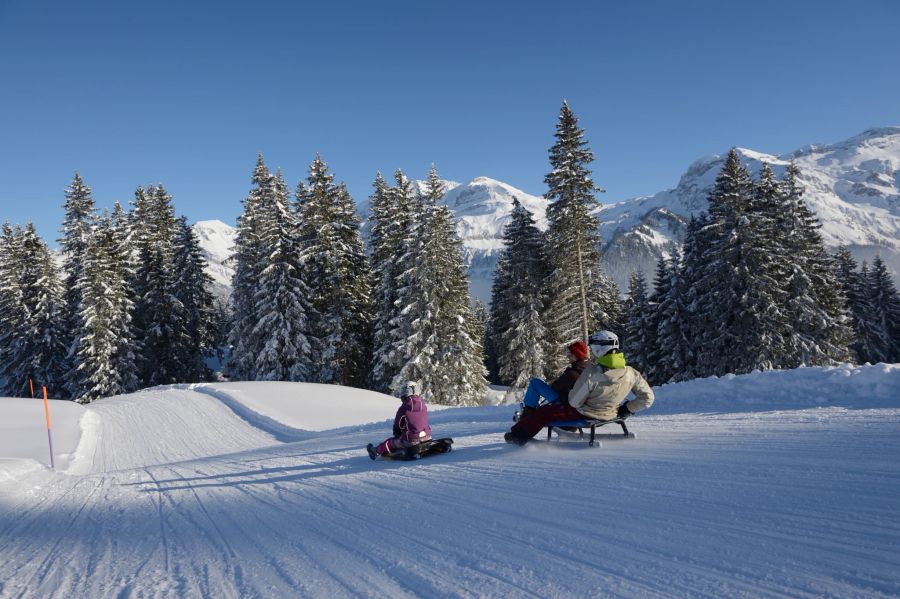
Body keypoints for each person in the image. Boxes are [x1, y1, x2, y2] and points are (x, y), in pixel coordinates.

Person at [504, 330, 654, 445]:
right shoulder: (631, 372)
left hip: (585, 414)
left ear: (599, 349)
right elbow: (648, 398)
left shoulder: (593, 372)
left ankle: (517, 437)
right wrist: (626, 409)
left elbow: (574, 403)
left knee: (543, 412)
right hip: (611, 414)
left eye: (594, 347)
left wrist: (567, 395)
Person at [517, 341, 591, 419]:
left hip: (565, 402)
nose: (568, 356)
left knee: (535, 383)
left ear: (576, 355)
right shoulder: (589, 367)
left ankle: (527, 415)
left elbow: (555, 387)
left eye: (570, 354)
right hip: (578, 403)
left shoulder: (572, 373)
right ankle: (528, 412)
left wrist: (559, 381)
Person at [367, 381, 433, 459]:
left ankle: (375, 451)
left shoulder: (404, 407)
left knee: (390, 442)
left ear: (405, 392)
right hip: (427, 437)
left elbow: (398, 423)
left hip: (411, 440)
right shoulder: (423, 405)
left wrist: (397, 430)